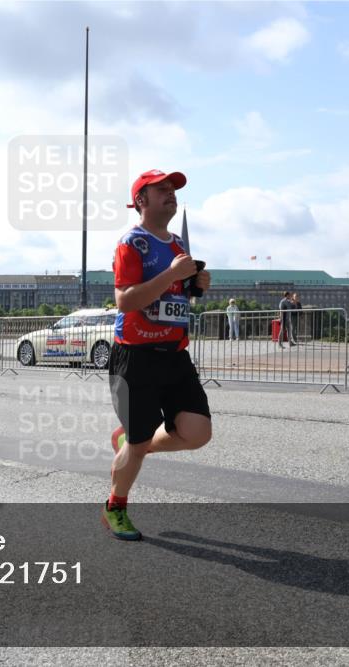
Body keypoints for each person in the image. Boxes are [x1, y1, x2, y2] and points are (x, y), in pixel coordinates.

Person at [105, 169, 212, 540]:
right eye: (161, 189)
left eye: (173, 190)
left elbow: (176, 298)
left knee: (197, 433)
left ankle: (134, 442)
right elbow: (126, 300)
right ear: (141, 201)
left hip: (175, 355)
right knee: (135, 446)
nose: (171, 194)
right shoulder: (132, 243)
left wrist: (197, 285)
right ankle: (115, 507)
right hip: (136, 357)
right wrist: (170, 276)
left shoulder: (177, 247)